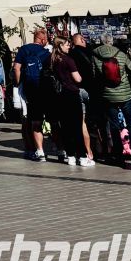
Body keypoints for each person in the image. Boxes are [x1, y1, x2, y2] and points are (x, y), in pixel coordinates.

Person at [92, 33, 131, 167]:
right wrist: (128, 82)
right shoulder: (120, 54)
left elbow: (95, 76)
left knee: (114, 126)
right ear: (112, 41)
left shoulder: (95, 56)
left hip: (108, 96)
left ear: (101, 42)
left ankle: (118, 155)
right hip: (126, 95)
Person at [48, 34, 92, 165]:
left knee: (65, 126)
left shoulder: (52, 60)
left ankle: (71, 155)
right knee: (77, 125)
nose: (69, 47)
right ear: (61, 45)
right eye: (67, 44)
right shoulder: (68, 60)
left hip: (58, 95)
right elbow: (78, 78)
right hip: (71, 94)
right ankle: (82, 157)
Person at [13, 26, 51, 161]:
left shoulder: (24, 49)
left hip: (28, 89)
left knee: (27, 119)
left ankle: (30, 149)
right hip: (43, 88)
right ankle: (60, 149)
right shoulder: (45, 52)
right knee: (46, 119)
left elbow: (16, 68)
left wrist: (19, 84)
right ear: (42, 39)